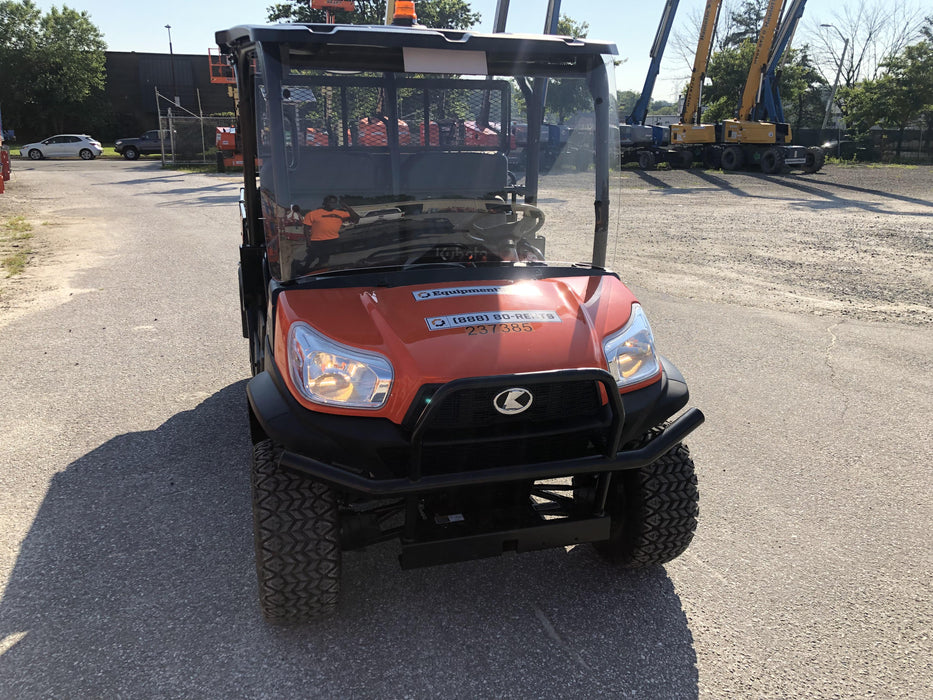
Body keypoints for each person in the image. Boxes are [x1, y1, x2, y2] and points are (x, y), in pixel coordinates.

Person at [296, 195, 360, 274]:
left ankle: (321, 270)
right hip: (316, 240)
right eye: (330, 202)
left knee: (325, 258)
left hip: (332, 240)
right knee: (311, 256)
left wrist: (348, 208)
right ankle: (305, 269)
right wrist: (308, 242)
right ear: (324, 203)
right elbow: (306, 228)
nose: (332, 204)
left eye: (334, 202)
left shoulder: (341, 213)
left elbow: (356, 219)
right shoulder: (312, 214)